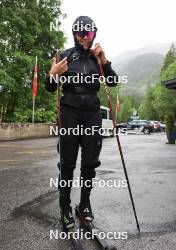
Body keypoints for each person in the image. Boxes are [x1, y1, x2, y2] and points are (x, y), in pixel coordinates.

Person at [45, 16, 118, 230]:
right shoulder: (65, 56)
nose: (84, 37)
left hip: (92, 114)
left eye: (88, 33)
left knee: (89, 163)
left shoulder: (97, 58)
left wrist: (104, 61)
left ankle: (84, 204)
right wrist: (53, 73)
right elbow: (50, 86)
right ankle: (64, 207)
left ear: (93, 34)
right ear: (74, 33)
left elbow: (112, 81)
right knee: (67, 164)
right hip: (69, 112)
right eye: (80, 33)